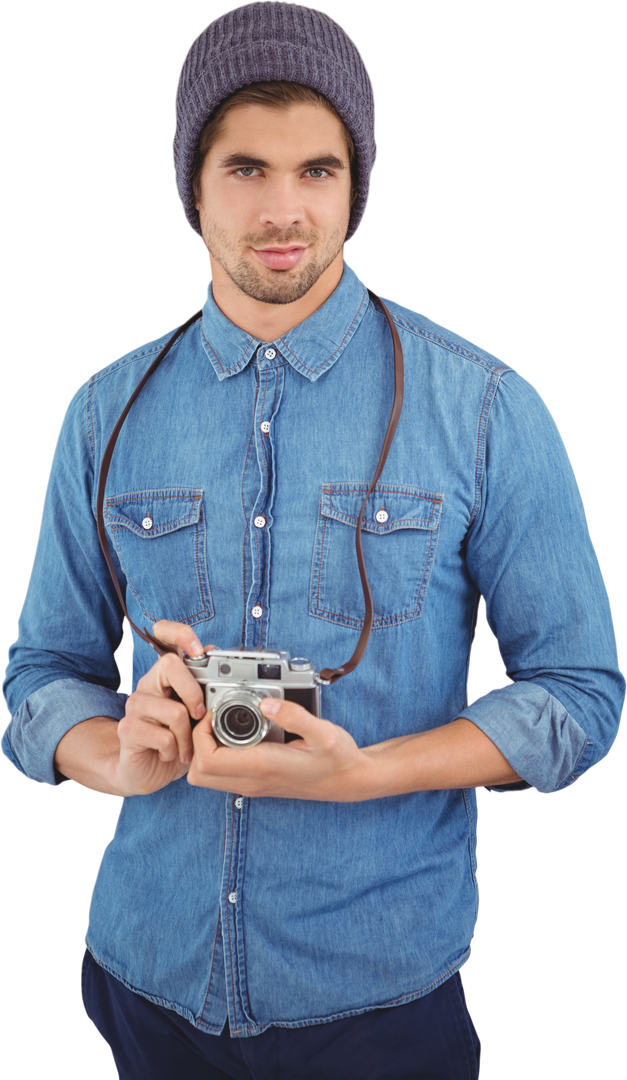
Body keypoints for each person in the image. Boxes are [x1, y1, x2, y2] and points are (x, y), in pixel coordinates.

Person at [1, 3, 624, 1078]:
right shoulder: (101, 412)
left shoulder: (485, 405)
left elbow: (578, 696)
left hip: (380, 999)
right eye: (246, 169)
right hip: (142, 979)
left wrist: (370, 774)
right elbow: (42, 672)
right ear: (190, 184)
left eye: (318, 170)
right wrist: (109, 755)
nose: (284, 210)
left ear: (359, 181)